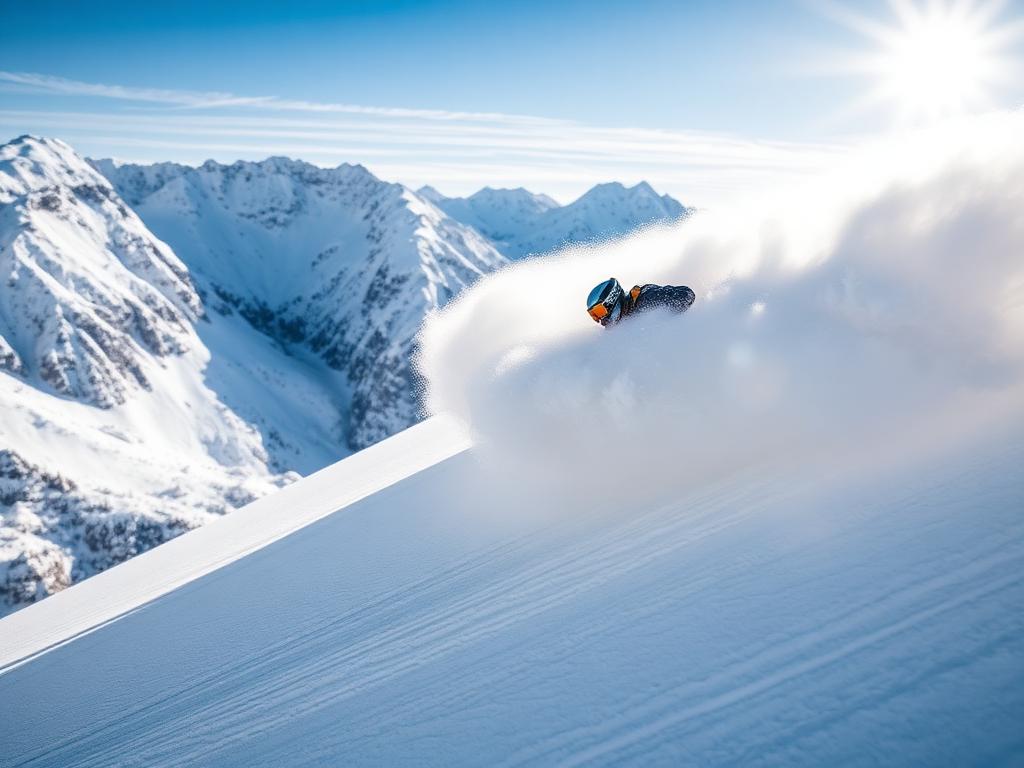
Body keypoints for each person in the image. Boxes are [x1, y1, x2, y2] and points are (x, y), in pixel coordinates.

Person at [586, 277, 695, 326]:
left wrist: (664, 317)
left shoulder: (645, 300)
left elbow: (687, 295)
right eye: (595, 315)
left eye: (599, 312)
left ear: (611, 300)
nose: (601, 320)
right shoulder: (623, 321)